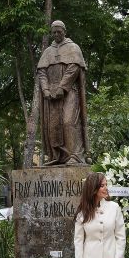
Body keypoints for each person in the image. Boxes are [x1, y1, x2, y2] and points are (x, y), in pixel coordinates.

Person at [36, 20, 89, 165]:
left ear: (64, 31)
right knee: (53, 126)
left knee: (68, 121)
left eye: (59, 31)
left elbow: (74, 68)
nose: (56, 34)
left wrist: (62, 87)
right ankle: (57, 156)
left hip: (69, 92)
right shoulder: (48, 51)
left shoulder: (73, 48)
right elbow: (42, 72)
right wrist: (45, 89)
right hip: (51, 94)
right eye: (54, 32)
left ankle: (75, 156)